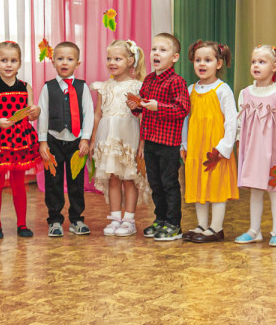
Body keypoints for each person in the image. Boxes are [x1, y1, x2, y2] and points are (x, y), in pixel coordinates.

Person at [0, 41, 40, 239]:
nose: (8, 64)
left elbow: (30, 113)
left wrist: (35, 112)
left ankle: (22, 224)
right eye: (4, 60)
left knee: (19, 184)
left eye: (13, 61)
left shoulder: (25, 87)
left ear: (19, 63)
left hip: (20, 140)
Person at [129, 33, 190, 242]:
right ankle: (160, 219)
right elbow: (143, 107)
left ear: (175, 57)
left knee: (169, 184)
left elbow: (182, 109)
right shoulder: (148, 80)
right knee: (155, 184)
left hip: (169, 144)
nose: (156, 53)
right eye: (154, 49)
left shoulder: (177, 82)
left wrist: (158, 107)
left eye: (163, 50)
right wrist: (136, 106)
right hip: (150, 141)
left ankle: (174, 224)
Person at [235, 46, 276, 247]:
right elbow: (240, 121)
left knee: (274, 189)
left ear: (274, 67)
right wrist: (239, 141)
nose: (256, 65)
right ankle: (254, 230)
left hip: (273, 152)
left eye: (262, 62)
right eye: (254, 61)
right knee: (255, 188)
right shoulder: (245, 93)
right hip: (253, 150)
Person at [90, 39, 149, 236]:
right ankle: (115, 218)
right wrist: (93, 140)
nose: (112, 62)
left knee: (129, 178)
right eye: (109, 59)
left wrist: (142, 143)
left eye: (117, 59)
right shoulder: (104, 87)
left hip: (128, 138)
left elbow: (142, 116)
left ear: (130, 61)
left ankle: (129, 220)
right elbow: (98, 114)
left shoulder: (137, 86)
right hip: (108, 139)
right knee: (113, 178)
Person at [180, 41, 238, 243]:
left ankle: (216, 228)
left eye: (207, 60)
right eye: (198, 60)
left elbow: (231, 121)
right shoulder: (190, 90)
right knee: (198, 185)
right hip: (196, 148)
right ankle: (202, 225)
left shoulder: (223, 90)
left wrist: (224, 148)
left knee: (216, 187)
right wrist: (184, 144)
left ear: (219, 64)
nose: (202, 64)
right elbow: (185, 120)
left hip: (215, 150)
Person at [37, 41, 94, 237]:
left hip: (77, 143)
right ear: (53, 62)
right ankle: (54, 220)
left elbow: (89, 114)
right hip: (53, 141)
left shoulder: (82, 87)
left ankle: (77, 219)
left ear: (77, 63)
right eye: (60, 58)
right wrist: (43, 142)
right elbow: (42, 115)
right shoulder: (48, 88)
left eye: (69, 59)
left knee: (76, 181)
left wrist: (85, 139)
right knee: (53, 182)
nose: (64, 62)